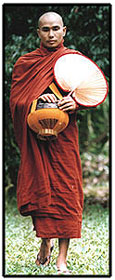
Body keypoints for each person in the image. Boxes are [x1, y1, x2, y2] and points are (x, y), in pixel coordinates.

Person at [10, 11, 84, 274]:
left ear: (65, 30)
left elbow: (89, 92)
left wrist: (75, 103)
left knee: (66, 192)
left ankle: (62, 259)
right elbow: (16, 102)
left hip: (64, 140)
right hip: (37, 137)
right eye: (45, 29)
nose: (51, 34)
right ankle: (45, 241)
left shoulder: (74, 61)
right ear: (37, 32)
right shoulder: (26, 63)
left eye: (55, 29)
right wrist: (39, 102)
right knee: (42, 189)